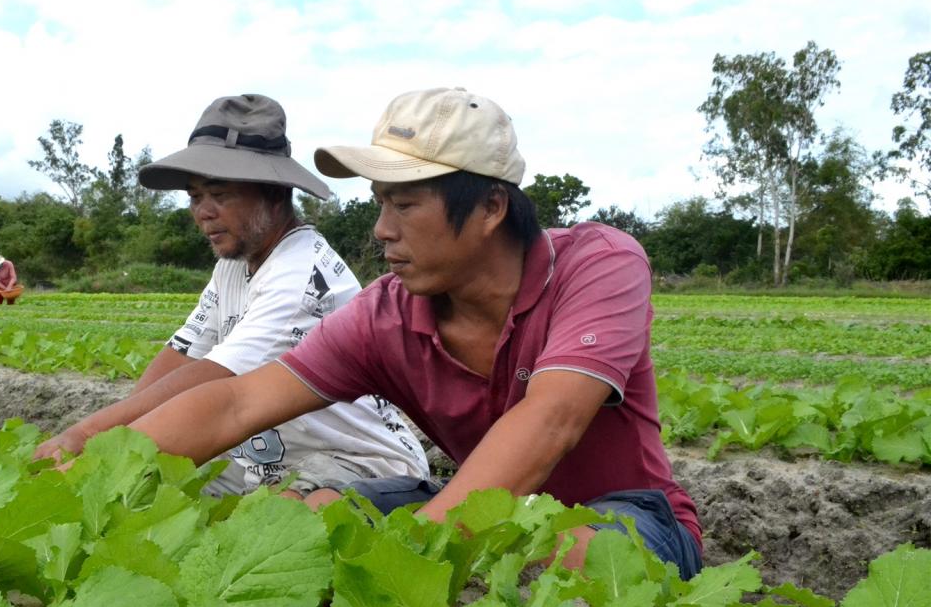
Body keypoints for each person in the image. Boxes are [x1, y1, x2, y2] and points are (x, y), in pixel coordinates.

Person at [124, 87, 703, 578]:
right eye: (379, 203)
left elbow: (551, 418)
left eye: (404, 203)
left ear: (491, 207)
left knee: (542, 547)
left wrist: (420, 545)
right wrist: (100, 467)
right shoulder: (388, 315)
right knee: (310, 512)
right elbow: (237, 402)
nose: (381, 230)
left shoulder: (596, 264)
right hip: (483, 499)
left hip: (630, 515)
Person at [34, 94, 428, 495]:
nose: (203, 212)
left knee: (283, 519)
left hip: (355, 460)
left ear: (274, 194)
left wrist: (85, 439)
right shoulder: (232, 267)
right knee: (149, 491)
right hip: (265, 462)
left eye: (219, 195)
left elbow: (215, 378)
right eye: (195, 196)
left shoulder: (302, 277)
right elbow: (181, 356)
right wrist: (113, 441)